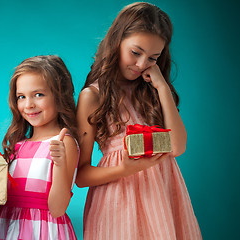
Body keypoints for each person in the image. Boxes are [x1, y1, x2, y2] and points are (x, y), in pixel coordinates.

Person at [76, 2, 202, 239]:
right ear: (117, 41)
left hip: (163, 197)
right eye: (136, 52)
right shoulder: (92, 96)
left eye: (153, 57)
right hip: (118, 201)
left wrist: (162, 86)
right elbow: (81, 176)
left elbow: (177, 146)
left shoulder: (152, 91)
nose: (142, 64)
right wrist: (123, 169)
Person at [0, 55, 79, 240]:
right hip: (6, 232)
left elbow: (57, 209)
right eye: (21, 97)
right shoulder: (17, 146)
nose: (29, 105)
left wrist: (59, 163)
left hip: (44, 233)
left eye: (39, 94)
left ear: (60, 96)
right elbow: (0, 208)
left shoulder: (64, 143)